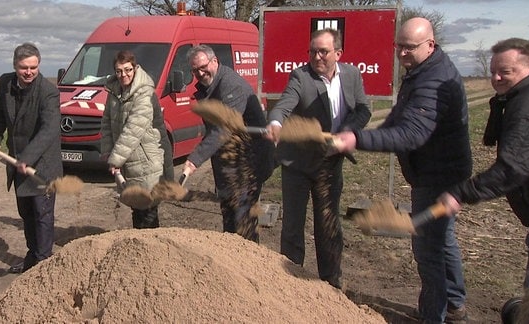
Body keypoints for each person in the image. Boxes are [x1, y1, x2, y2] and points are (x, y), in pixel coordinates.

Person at [336, 17, 472, 323]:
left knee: (428, 250)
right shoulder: (421, 70)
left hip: (439, 176)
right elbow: (399, 118)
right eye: (399, 46)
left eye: (409, 48)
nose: (401, 54)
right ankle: (455, 303)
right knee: (444, 239)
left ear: (430, 45)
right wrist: (371, 136)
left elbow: (412, 134)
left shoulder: (433, 81)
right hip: (436, 170)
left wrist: (357, 138)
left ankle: (432, 316)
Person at [264, 28, 371, 289]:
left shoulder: (352, 76)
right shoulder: (301, 76)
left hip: (330, 163)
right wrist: (276, 121)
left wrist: (346, 132)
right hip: (297, 164)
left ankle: (331, 282)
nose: (316, 56)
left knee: (328, 223)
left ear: (338, 53)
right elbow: (285, 103)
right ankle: (291, 282)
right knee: (292, 225)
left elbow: (363, 109)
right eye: (312, 51)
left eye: (323, 51)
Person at [438, 38, 529, 315]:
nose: (496, 77)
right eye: (493, 71)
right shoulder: (517, 98)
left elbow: (513, 168)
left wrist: (462, 192)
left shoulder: (527, 108)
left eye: (505, 72)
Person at [0, 43, 62, 273]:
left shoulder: (48, 91)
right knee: (26, 213)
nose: (29, 72)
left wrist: (26, 157)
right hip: (17, 163)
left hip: (43, 165)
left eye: (34, 67)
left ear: (39, 65)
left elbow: (49, 129)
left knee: (42, 216)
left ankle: (43, 264)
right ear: (15, 65)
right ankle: (32, 257)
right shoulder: (5, 83)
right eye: (24, 67)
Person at [183, 45, 275, 243]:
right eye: (195, 70)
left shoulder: (231, 84)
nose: (200, 73)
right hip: (228, 163)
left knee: (244, 222)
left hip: (249, 162)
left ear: (214, 61)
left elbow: (224, 128)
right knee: (229, 219)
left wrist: (194, 160)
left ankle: (249, 266)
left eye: (203, 67)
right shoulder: (208, 88)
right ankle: (231, 266)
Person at [101, 50, 165, 229]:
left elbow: (133, 130)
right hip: (128, 160)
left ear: (135, 68)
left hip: (146, 161)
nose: (124, 75)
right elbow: (106, 123)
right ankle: (139, 248)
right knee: (136, 208)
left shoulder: (144, 93)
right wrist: (107, 150)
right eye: (119, 71)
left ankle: (153, 250)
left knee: (149, 208)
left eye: (128, 70)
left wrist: (115, 159)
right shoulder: (113, 92)